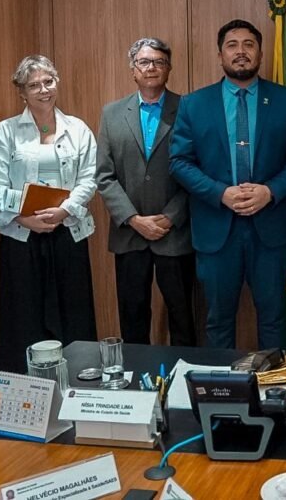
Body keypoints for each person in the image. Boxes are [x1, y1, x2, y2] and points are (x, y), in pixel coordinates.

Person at [169, 19, 286, 350]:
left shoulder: (284, 100)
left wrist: (270, 191)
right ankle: (222, 393)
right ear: (220, 55)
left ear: (260, 53)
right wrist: (220, 193)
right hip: (217, 231)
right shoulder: (195, 104)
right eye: (232, 45)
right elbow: (179, 162)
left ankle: (270, 392)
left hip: (270, 229)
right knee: (218, 319)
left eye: (248, 45)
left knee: (274, 317)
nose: (241, 52)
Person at [0, 55, 98, 373]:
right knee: (24, 315)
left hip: (68, 231)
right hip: (21, 235)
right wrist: (24, 217)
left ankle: (80, 382)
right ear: (22, 92)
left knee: (73, 313)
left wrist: (64, 210)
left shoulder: (77, 129)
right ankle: (24, 391)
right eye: (34, 85)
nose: (43, 90)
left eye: (48, 82)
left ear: (57, 83)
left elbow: (89, 178)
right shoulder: (5, 132)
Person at [97, 38, 195, 346]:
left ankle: (182, 383)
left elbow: (198, 170)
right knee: (132, 315)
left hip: (175, 234)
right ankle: (137, 382)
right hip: (130, 234)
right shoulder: (112, 113)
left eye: (159, 62)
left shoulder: (189, 109)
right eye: (144, 62)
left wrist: (170, 217)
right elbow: (104, 175)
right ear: (133, 70)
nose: (151, 67)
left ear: (169, 68)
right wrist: (133, 219)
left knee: (182, 314)